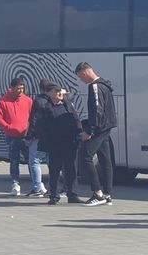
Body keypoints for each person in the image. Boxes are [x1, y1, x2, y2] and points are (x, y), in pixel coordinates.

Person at [0, 76, 46, 197]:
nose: (20, 91)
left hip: (26, 137)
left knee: (32, 161)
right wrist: (8, 127)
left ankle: (37, 184)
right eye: (18, 88)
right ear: (11, 88)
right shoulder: (3, 101)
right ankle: (15, 183)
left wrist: (30, 132)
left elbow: (33, 117)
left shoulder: (27, 100)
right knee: (14, 161)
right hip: (12, 136)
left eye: (22, 88)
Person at [31, 84, 83, 204]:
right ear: (49, 93)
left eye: (61, 91)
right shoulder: (45, 107)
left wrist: (78, 135)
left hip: (70, 143)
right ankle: (54, 195)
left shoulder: (68, 104)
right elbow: (39, 126)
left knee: (71, 170)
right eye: (57, 91)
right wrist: (47, 141)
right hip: (55, 144)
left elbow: (76, 120)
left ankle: (72, 194)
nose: (60, 94)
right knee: (54, 170)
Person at [75, 62, 117, 206]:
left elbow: (97, 109)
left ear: (85, 72)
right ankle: (108, 193)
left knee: (86, 156)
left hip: (99, 128)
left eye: (81, 77)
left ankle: (97, 193)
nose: (81, 80)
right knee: (106, 160)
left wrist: (90, 131)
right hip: (107, 126)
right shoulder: (106, 85)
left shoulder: (94, 86)